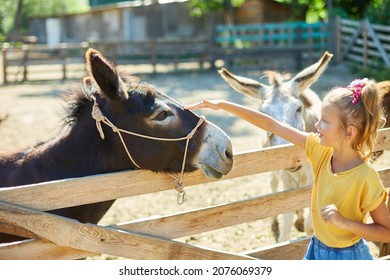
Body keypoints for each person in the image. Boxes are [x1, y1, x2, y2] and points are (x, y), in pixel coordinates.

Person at [185, 78, 390, 260]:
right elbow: (273, 125)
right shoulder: (320, 151)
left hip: (349, 259)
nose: (316, 125)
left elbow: (386, 232)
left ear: (349, 132)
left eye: (325, 121)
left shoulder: (366, 177)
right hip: (317, 250)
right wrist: (222, 105)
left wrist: (346, 223)